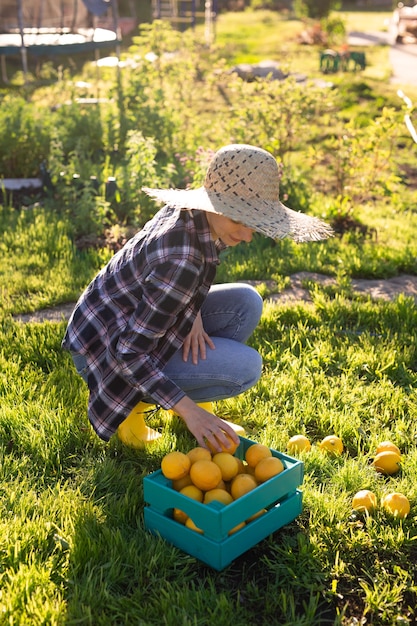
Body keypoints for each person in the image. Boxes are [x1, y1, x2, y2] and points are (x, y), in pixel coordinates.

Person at [62, 144, 332, 452]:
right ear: (215, 205)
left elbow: (173, 283)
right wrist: (191, 414)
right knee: (245, 367)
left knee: (246, 303)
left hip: (112, 320)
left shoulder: (194, 217)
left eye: (253, 223)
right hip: (104, 352)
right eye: (239, 221)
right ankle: (134, 412)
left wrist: (193, 315)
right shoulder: (181, 261)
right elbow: (128, 353)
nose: (246, 236)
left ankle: (195, 400)